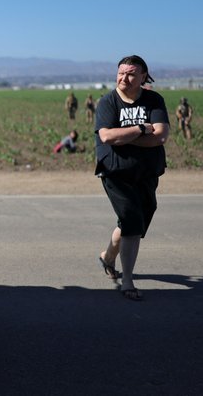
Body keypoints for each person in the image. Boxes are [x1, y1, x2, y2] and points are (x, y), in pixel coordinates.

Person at [95, 55, 170, 301]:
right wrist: (140, 129)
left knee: (133, 222)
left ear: (143, 77)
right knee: (131, 219)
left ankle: (107, 257)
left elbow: (160, 136)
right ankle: (127, 280)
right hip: (116, 173)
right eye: (120, 73)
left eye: (130, 74)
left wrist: (124, 137)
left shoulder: (153, 99)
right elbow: (106, 137)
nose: (123, 78)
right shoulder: (108, 102)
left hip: (146, 172)